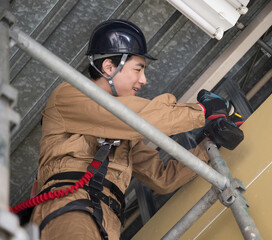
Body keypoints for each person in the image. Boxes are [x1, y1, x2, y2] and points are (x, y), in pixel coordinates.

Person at [29, 19, 230, 239]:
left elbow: (163, 178)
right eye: (138, 69)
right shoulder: (68, 95)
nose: (144, 80)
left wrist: (208, 145)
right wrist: (201, 110)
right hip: (70, 209)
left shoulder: (124, 136)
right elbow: (135, 118)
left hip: (108, 221)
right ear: (108, 67)